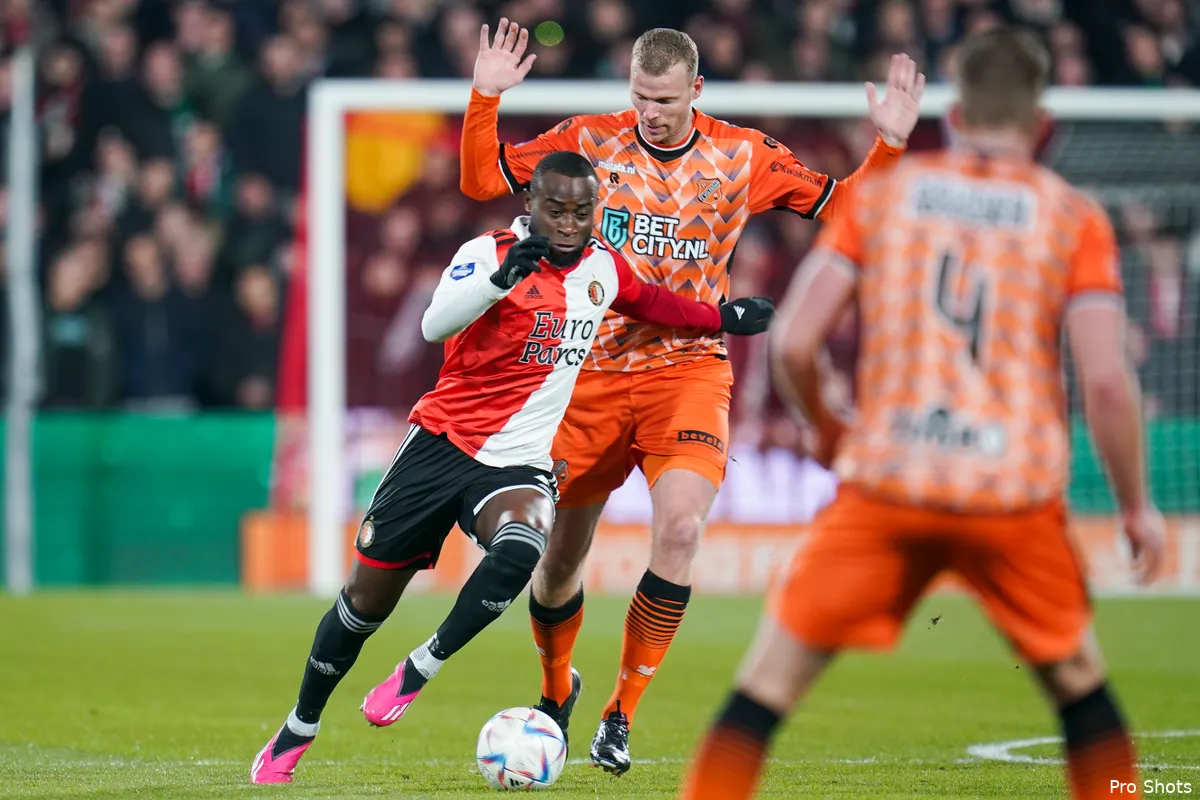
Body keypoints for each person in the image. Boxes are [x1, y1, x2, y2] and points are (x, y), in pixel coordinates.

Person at [678, 27, 1166, 800]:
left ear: (956, 115)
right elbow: (1107, 381)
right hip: (1010, 491)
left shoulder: (885, 198)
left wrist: (833, 430)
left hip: (888, 481)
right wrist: (1136, 507)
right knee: (1079, 687)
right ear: (1042, 124)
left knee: (767, 686)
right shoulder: (1073, 218)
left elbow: (796, 342)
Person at [460, 21, 924, 773]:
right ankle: (556, 691)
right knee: (554, 563)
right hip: (588, 377)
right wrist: (486, 97)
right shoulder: (592, 141)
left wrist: (890, 147)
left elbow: (848, 212)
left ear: (696, 91)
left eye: (667, 99)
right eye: (642, 96)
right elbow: (484, 181)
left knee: (678, 534)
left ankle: (620, 713)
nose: (652, 112)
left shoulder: (742, 154)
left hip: (689, 373)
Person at [249, 151, 775, 784]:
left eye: (583, 211)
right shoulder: (486, 252)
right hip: (441, 447)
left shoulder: (602, 269)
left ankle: (421, 666)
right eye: (555, 209)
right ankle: (298, 727)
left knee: (523, 546)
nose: (570, 222)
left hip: (518, 464)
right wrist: (497, 281)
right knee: (363, 604)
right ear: (530, 205)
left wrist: (724, 317)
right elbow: (432, 324)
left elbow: (654, 304)